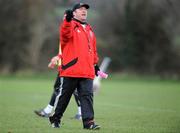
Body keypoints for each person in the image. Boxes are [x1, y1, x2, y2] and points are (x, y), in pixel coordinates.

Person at [48, 3, 100, 130]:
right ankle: (56, 118)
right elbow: (65, 34)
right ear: (74, 13)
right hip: (71, 70)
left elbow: (92, 49)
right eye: (80, 9)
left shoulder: (89, 28)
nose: (84, 11)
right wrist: (67, 20)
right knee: (64, 98)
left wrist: (95, 64)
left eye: (85, 9)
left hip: (87, 71)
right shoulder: (70, 25)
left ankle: (89, 123)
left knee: (87, 97)